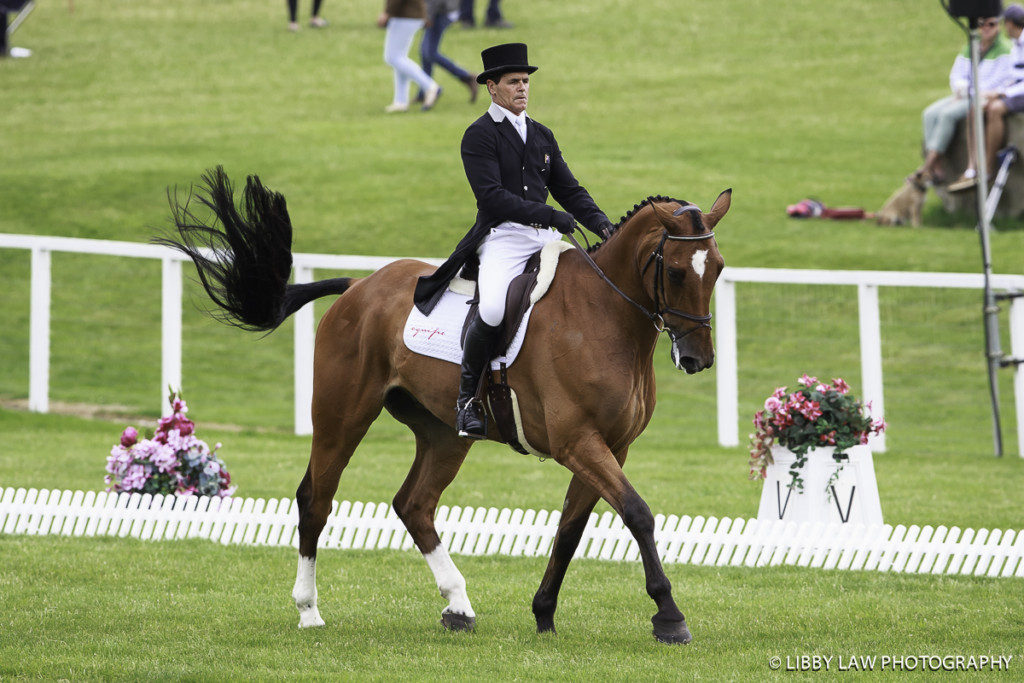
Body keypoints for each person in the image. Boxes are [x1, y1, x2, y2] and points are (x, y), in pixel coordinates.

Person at [413, 43, 614, 439]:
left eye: (525, 81)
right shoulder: (479, 135)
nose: (522, 88)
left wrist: (605, 226)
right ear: (491, 87)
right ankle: (467, 400)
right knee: (490, 309)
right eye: (513, 82)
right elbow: (491, 197)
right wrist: (547, 214)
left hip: (545, 239)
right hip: (502, 237)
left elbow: (569, 190)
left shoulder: (541, 134)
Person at [923, 15, 1011, 188]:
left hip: (983, 96)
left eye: (991, 24)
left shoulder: (1005, 50)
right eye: (981, 24)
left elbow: (1001, 81)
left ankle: (929, 164)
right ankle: (935, 164)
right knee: (929, 113)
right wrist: (961, 88)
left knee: (948, 114)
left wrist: (973, 92)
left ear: (999, 26)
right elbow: (957, 73)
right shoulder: (971, 47)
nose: (986, 28)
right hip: (964, 94)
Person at [950, 5, 1024, 190]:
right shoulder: (1016, 44)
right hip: (1016, 90)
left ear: (1008, 24)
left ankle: (988, 168)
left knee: (995, 109)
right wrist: (999, 91)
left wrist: (1003, 93)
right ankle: (972, 167)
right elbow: (1016, 76)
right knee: (977, 108)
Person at [379, 0, 442, 113]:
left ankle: (430, 86)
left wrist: (387, 12)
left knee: (392, 57)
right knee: (399, 57)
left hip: (406, 15)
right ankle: (400, 101)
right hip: (407, 14)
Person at [419, 0, 479, 103]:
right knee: (425, 52)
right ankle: (424, 92)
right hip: (441, 10)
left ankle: (467, 77)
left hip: (440, 11)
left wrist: (428, 16)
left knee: (430, 52)